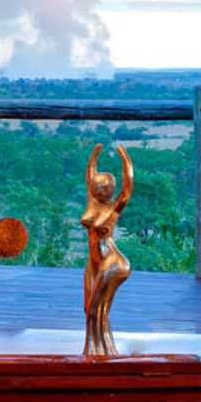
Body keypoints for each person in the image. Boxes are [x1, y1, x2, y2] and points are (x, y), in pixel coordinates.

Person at [80, 143, 133, 356]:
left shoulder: (113, 209)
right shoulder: (92, 204)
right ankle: (99, 349)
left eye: (105, 187)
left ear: (110, 189)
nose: (101, 189)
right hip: (94, 262)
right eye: (98, 186)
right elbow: (89, 176)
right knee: (89, 307)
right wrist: (94, 155)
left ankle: (98, 351)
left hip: (112, 261)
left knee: (96, 307)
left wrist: (125, 159)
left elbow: (127, 188)